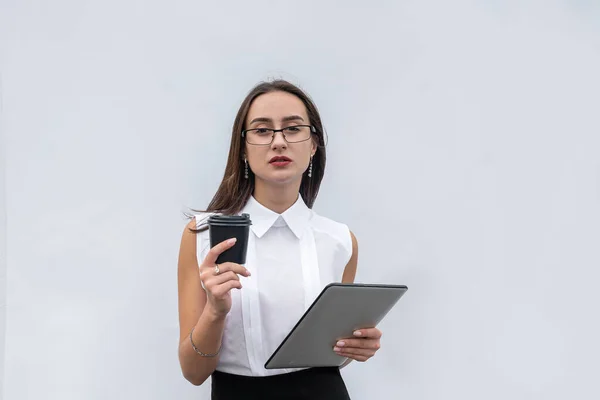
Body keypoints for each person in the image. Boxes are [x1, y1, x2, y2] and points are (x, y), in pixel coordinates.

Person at [177, 80, 383, 399]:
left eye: (292, 128)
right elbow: (193, 373)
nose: (278, 142)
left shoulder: (340, 241)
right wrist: (215, 311)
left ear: (313, 144)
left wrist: (352, 347)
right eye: (262, 130)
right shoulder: (202, 234)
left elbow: (330, 357)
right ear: (243, 149)